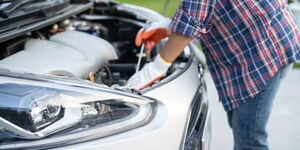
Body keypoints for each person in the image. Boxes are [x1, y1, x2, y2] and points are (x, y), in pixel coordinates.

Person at [127, 0, 300, 150]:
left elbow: (193, 19)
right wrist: (167, 27)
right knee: (243, 128)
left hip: (264, 53)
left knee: (250, 139)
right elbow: (201, 8)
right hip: (253, 48)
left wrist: (157, 67)